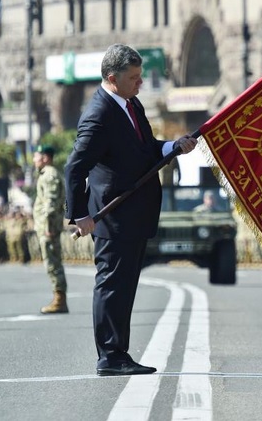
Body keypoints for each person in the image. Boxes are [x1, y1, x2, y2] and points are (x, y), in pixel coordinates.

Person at [64, 44, 197, 377]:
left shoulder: (131, 103)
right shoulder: (99, 114)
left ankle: (119, 352)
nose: (140, 82)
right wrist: (80, 214)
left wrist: (172, 147)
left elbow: (145, 149)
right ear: (112, 78)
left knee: (125, 287)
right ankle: (109, 356)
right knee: (112, 285)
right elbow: (74, 168)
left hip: (134, 215)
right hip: (112, 216)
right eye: (134, 77)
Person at [32, 144, 68, 314]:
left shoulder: (49, 175)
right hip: (49, 226)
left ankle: (59, 299)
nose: (34, 160)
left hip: (49, 228)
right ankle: (58, 297)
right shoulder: (47, 174)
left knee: (52, 262)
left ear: (45, 158)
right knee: (52, 261)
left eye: (36, 156)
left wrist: (47, 227)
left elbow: (51, 203)